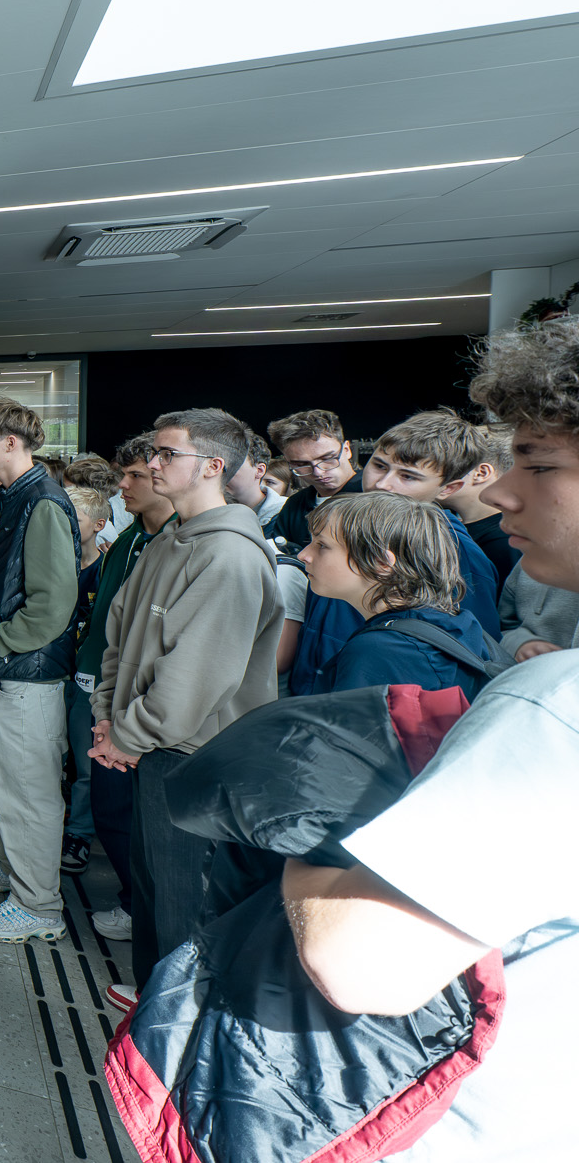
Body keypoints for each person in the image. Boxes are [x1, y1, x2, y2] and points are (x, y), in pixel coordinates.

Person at [284, 318, 579, 1160]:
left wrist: (299, 831)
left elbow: (359, 957)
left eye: (539, 463)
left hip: (458, 1114)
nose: (501, 493)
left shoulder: (553, 705)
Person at [91, 407, 282, 1005]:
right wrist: (108, 716)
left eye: (167, 453)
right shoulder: (169, 539)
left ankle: (173, 1023)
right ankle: (153, 1001)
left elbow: (195, 675)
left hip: (192, 752)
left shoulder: (229, 556)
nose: (152, 463)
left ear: (213, 466)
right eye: (153, 452)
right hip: (150, 743)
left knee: (181, 900)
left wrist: (127, 733)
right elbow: (120, 635)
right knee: (152, 885)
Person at [0, 397, 82, 944]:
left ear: (11, 442)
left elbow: (53, 602)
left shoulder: (43, 501)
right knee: (3, 780)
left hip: (26, 671)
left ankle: (38, 905)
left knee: (28, 791)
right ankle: (15, 871)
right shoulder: (16, 497)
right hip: (8, 666)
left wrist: (2, 644)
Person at [286, 410, 502, 695]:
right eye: (379, 465)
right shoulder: (346, 524)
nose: (383, 484)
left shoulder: (456, 550)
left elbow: (466, 654)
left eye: (408, 476)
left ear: (448, 487)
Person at [74, 435, 175, 945]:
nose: (123, 485)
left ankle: (144, 909)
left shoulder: (181, 543)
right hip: (103, 688)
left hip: (144, 706)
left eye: (135, 476)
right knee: (110, 807)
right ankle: (134, 900)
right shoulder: (130, 537)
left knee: (140, 816)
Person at [298, 492, 490, 699]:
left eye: (322, 545)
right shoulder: (454, 623)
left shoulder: (380, 651)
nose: (303, 555)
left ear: (380, 563)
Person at [58, 483, 110, 881]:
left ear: (99, 525)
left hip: (86, 676)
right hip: (51, 670)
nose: (68, 527)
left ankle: (78, 834)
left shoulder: (106, 570)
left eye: (75, 519)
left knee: (83, 762)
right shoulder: (56, 560)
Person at [264, 408, 362, 550]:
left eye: (327, 458)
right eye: (301, 464)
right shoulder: (294, 505)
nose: (318, 472)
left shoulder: (375, 494)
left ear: (347, 450)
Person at [450, 422, 518, 583]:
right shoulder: (450, 521)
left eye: (447, 464)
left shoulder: (504, 541)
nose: (436, 470)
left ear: (481, 473)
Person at [223, 429, 286, 531]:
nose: (219, 472)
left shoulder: (285, 513)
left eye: (231, 466)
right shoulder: (211, 508)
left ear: (259, 470)